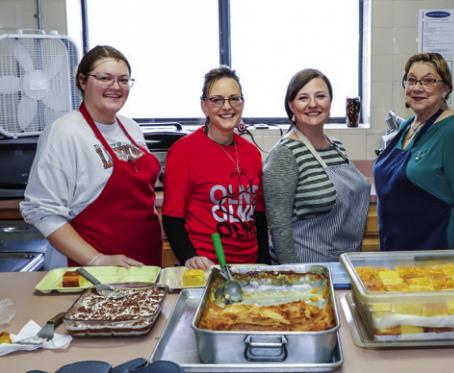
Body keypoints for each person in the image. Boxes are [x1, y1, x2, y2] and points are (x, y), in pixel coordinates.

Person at [20, 45, 162, 268]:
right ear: (83, 81)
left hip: (143, 260)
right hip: (89, 269)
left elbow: (142, 197)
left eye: (124, 80)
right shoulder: (65, 132)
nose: (116, 87)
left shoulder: (130, 127)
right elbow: (42, 211)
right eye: (105, 78)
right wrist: (96, 259)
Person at [373, 52, 454, 251]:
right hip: (401, 251)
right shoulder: (408, 125)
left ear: (445, 88)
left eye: (428, 81)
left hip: (436, 257)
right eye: (411, 80)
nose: (417, 88)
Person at [162, 66, 268, 269]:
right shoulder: (184, 151)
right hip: (207, 267)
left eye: (234, 99)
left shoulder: (251, 153)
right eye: (217, 100)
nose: (227, 107)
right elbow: (172, 217)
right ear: (204, 106)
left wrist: (264, 265)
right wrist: (189, 256)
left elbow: (258, 217)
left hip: (249, 266)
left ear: (242, 103)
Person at [263, 68, 371, 263]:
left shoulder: (337, 148)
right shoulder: (284, 154)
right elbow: (280, 229)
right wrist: (295, 278)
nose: (313, 104)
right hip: (307, 268)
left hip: (347, 263)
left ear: (330, 102)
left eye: (320, 96)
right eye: (303, 98)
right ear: (291, 105)